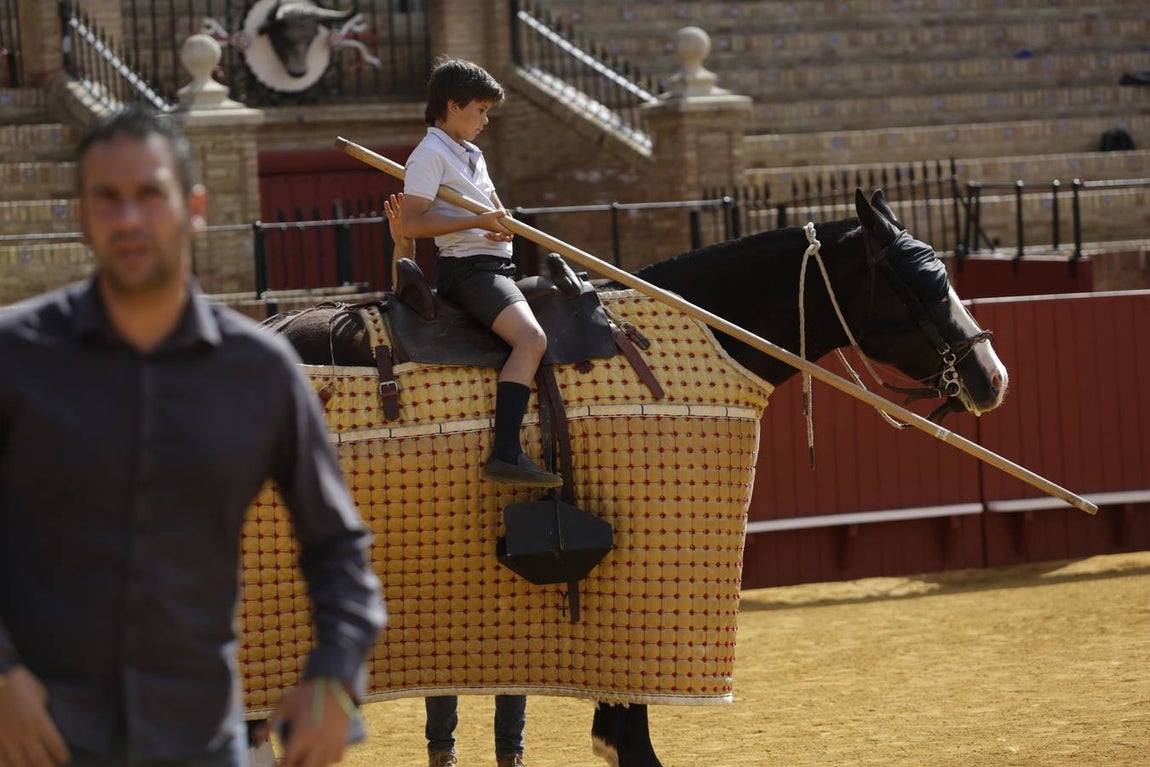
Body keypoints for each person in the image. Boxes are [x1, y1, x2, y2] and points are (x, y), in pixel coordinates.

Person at [0, 105, 386, 767]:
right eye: (108, 198)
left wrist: (334, 672)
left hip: (198, 737)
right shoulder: (15, 357)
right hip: (37, 739)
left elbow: (338, 548)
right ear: (81, 214)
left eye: (150, 194)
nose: (129, 219)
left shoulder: (260, 372)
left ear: (194, 206)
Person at [385, 192, 528, 767]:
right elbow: (404, 290)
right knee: (455, 625)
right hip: (452, 489)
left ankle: (487, 753)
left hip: (461, 488)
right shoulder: (428, 313)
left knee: (487, 627)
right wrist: (402, 239)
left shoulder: (481, 288)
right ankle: (454, 751)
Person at [402, 56, 561, 489]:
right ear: (453, 106)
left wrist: (495, 228)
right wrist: (476, 224)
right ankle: (506, 454)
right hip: (467, 271)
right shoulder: (428, 155)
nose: (485, 120)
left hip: (494, 262)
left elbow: (488, 213)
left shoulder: (472, 152)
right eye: (481, 110)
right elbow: (412, 223)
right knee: (531, 339)